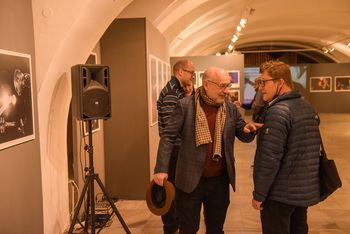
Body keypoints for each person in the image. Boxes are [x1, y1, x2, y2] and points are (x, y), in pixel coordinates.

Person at [154, 67, 263, 233]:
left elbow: (242, 132)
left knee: (216, 229)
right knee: (188, 229)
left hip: (219, 182)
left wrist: (249, 130)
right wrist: (161, 169)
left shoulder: (230, 109)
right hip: (190, 182)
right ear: (206, 84)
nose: (226, 91)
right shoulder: (185, 106)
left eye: (227, 86)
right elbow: (168, 137)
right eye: (222, 86)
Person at [252, 60, 321, 234]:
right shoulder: (308, 108)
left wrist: (259, 195)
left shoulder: (277, 111)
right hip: (301, 194)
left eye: (264, 82)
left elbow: (269, 159)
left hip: (279, 195)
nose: (261, 87)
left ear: (280, 82)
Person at [156, 59, 195, 234]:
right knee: (171, 193)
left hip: (178, 149)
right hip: (174, 150)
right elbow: (173, 127)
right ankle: (172, 229)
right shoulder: (172, 92)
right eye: (191, 73)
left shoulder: (178, 91)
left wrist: (188, 97)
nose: (193, 77)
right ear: (180, 72)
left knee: (177, 192)